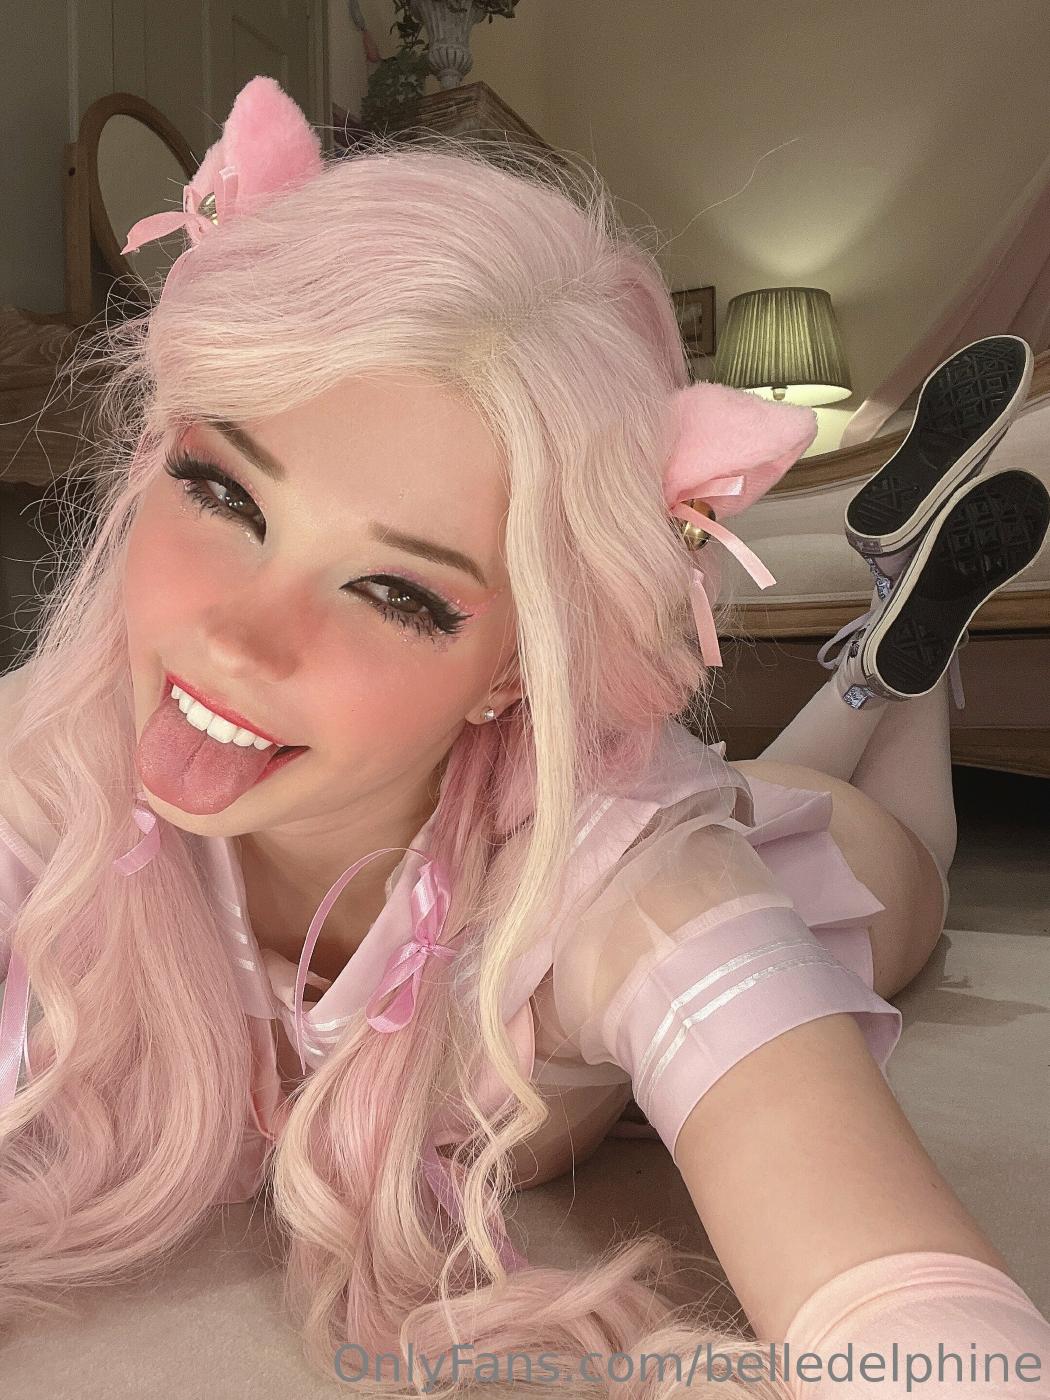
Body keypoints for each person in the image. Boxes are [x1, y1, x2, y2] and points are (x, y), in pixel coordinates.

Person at [0, 76, 1048, 1399]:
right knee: (739, 782)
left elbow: (906, 1300)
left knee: (911, 856)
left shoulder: (642, 892)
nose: (241, 642)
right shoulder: (47, 762)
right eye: (222, 491)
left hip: (780, 853)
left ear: (516, 663)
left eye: (397, 592)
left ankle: (897, 659)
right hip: (595, 786)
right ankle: (885, 644)